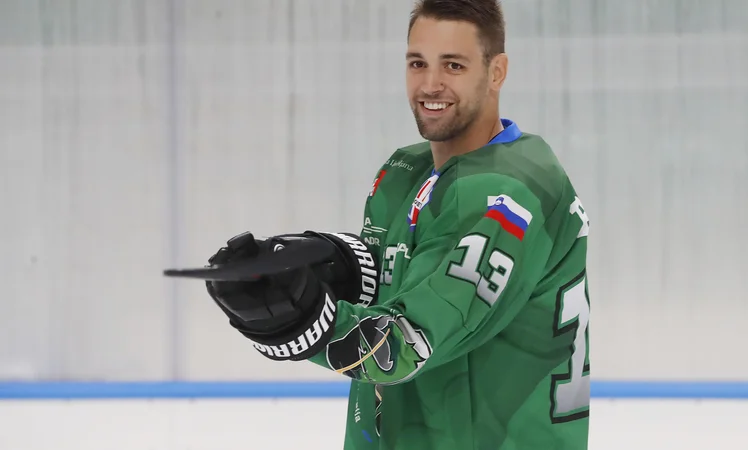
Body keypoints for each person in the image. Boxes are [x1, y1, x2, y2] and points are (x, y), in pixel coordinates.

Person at [203, 0, 591, 448]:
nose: (430, 84)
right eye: (417, 63)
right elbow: (401, 276)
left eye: (454, 65)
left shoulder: (508, 196)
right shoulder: (406, 169)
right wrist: (322, 264)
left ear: (497, 72)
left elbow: (404, 345)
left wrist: (296, 320)